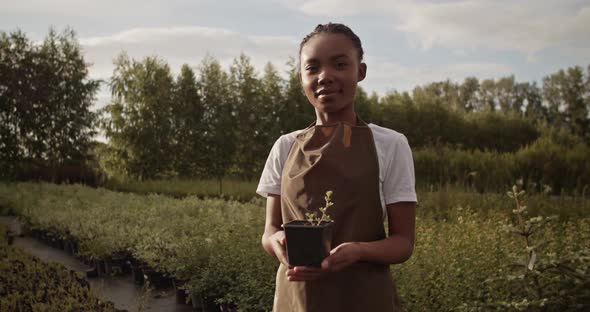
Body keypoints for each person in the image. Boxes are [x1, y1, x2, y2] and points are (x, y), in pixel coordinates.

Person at [257, 23, 417, 312]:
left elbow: (403, 242)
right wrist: (277, 242)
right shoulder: (285, 146)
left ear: (361, 71)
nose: (325, 76)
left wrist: (358, 251)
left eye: (340, 64)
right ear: (301, 78)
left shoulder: (390, 145)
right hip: (298, 298)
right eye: (312, 67)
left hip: (365, 297)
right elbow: (270, 230)